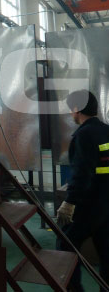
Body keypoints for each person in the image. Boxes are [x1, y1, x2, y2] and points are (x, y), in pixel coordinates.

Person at [56, 90, 109, 291]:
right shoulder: (106, 130)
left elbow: (82, 174)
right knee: (106, 253)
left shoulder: (84, 135)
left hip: (88, 205)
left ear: (77, 109)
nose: (71, 114)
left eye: (71, 110)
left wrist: (69, 203)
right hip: (106, 203)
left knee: (65, 245)